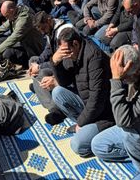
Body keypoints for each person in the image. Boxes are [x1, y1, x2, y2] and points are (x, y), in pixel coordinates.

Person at [37, 28, 114, 157]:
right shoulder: (71, 52)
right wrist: (55, 62)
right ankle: (86, 125)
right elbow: (65, 83)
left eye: (66, 51)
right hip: (86, 102)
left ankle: (95, 130)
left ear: (76, 44)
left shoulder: (95, 58)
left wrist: (80, 122)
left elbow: (97, 100)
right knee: (57, 92)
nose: (65, 54)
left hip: (104, 112)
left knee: (78, 145)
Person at [91, 46, 140, 172]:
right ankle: (137, 152)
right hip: (134, 120)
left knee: (128, 129)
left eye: (124, 78)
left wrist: (116, 80)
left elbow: (123, 120)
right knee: (97, 145)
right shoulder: (138, 67)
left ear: (136, 72)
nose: (123, 81)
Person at [0, 0, 45, 67]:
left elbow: (13, 38)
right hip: (22, 43)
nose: (6, 18)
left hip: (31, 49)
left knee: (8, 53)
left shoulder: (24, 19)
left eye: (7, 16)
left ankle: (10, 64)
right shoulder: (16, 12)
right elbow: (5, 26)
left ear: (12, 10)